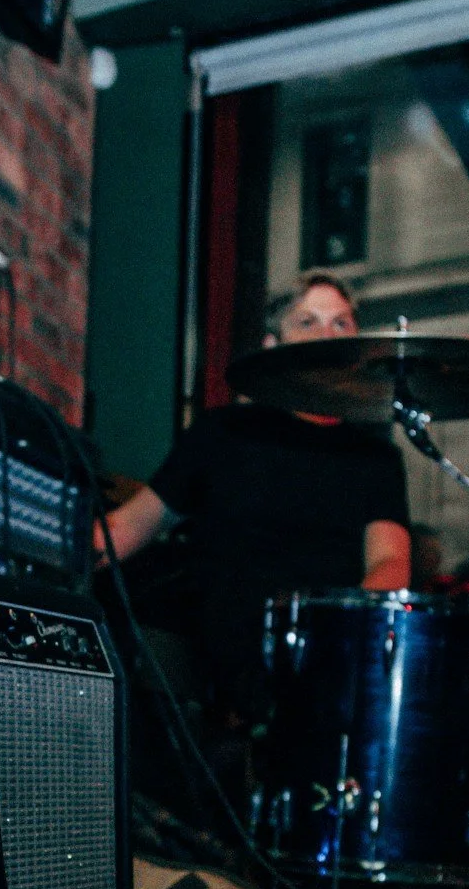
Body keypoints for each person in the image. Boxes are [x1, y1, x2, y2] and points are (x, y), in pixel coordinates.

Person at [98, 273, 413, 723]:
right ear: (273, 345)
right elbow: (130, 526)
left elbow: (391, 561)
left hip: (323, 672)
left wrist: (333, 630)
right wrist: (44, 545)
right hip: (213, 679)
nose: (326, 336)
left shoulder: (374, 456)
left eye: (340, 324)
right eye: (307, 322)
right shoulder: (224, 432)